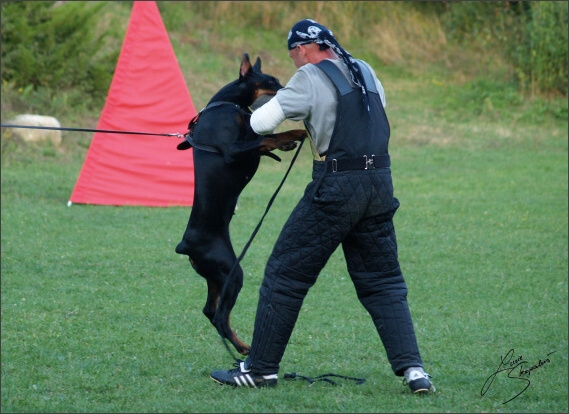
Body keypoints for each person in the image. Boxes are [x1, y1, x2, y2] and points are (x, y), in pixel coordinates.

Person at [210, 19, 435, 394]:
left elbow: (263, 122)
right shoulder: (364, 68)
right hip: (380, 182)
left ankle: (261, 370)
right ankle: (415, 372)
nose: (295, 63)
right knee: (383, 282)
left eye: (293, 55)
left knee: (285, 274)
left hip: (337, 187)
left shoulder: (309, 76)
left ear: (301, 49)